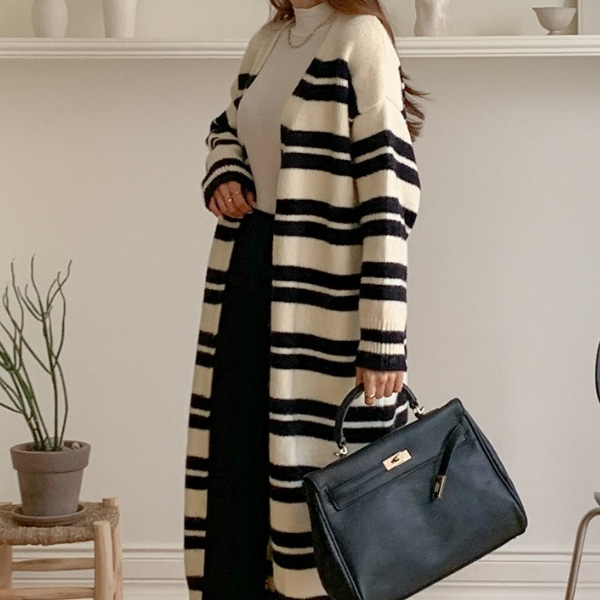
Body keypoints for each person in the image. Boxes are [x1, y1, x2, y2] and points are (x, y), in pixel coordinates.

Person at [184, 0, 424, 598]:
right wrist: (225, 170)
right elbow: (227, 127)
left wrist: (383, 336)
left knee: (319, 485)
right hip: (246, 281)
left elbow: (389, 195)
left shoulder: (360, 38)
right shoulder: (269, 40)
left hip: (324, 301)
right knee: (234, 474)